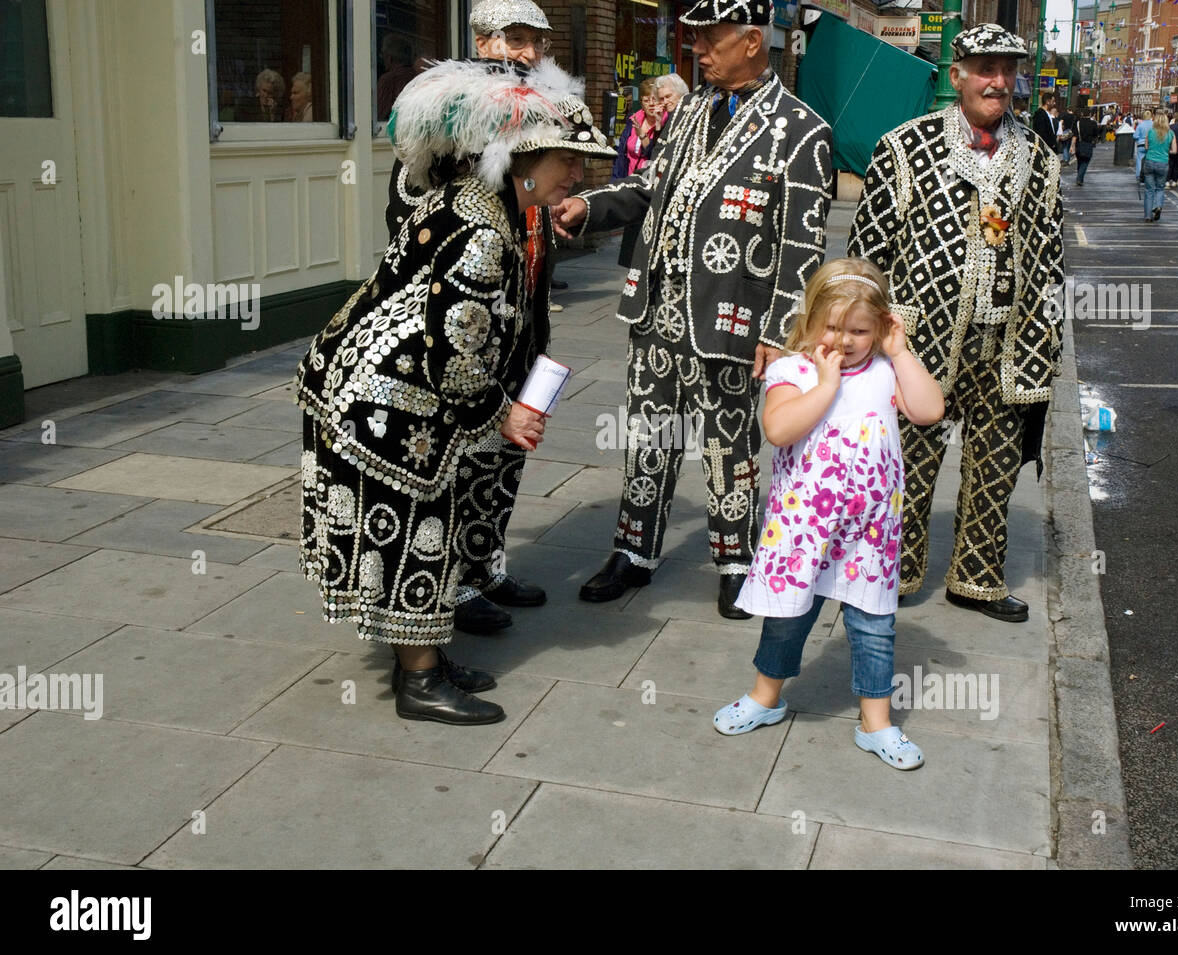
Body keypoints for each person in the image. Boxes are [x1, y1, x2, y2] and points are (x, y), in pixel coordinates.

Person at [294, 60, 615, 725]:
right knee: (419, 533)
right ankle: (419, 683)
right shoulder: (482, 235)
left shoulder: (475, 201)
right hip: (386, 402)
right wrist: (508, 415)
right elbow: (457, 362)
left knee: (421, 530)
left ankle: (425, 659)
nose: (577, 176)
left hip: (372, 386)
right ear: (523, 158)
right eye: (568, 160)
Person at [553, 0, 834, 619]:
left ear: (753, 41)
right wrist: (590, 206)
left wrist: (781, 332)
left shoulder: (802, 129)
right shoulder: (689, 113)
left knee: (729, 445)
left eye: (710, 39)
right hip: (658, 312)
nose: (699, 50)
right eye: (696, 39)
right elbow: (649, 185)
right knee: (648, 434)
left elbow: (801, 246)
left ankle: (736, 564)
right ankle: (634, 550)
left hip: (732, 319)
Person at [847, 22, 1064, 622]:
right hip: (919, 340)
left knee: (996, 464)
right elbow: (868, 257)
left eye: (1008, 70)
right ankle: (889, 570)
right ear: (958, 74)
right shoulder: (905, 146)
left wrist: (1045, 345)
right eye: (985, 68)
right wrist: (862, 342)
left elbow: (1050, 265)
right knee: (906, 463)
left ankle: (977, 578)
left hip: (1007, 340)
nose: (998, 81)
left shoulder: (1039, 160)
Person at [712, 258, 944, 767]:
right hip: (804, 531)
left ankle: (876, 723)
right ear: (810, 320)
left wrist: (901, 353)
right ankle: (765, 697)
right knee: (786, 619)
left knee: (874, 624)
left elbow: (929, 411)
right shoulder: (792, 371)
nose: (843, 340)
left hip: (869, 532)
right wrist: (825, 385)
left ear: (882, 327)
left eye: (859, 330)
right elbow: (779, 429)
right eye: (832, 327)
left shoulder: (887, 371)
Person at [383, 0, 561, 635]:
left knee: (505, 456)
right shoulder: (453, 109)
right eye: (515, 38)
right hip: (465, 329)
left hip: (524, 319)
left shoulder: (537, 109)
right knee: (463, 454)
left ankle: (485, 565)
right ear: (483, 41)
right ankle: (451, 586)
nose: (528, 52)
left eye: (536, 40)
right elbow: (409, 209)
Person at [613, 79, 662, 268]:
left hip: (652, 185)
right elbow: (623, 154)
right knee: (632, 231)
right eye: (645, 100)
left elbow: (656, 154)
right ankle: (632, 271)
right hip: (633, 181)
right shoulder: (634, 119)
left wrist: (643, 135)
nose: (650, 104)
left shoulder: (665, 122)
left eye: (654, 99)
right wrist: (617, 182)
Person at [377, 32, 420, 121]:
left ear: (390, 57)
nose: (382, 58)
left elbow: (377, 116)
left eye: (383, 54)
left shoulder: (388, 80)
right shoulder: (419, 77)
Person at [1142, 109, 1176, 222]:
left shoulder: (1150, 132)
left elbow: (1146, 147)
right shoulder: (1171, 133)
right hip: (1163, 162)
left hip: (1150, 161)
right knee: (1160, 188)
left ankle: (1147, 215)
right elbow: (1174, 150)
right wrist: (1165, 151)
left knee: (1149, 190)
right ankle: (1158, 206)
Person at [1073, 106, 1100, 186]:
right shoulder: (1093, 123)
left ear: (1082, 114)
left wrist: (1072, 146)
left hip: (1079, 144)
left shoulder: (1078, 123)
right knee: (1085, 162)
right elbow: (1096, 134)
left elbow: (1075, 135)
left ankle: (1079, 176)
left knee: (1080, 161)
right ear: (1090, 114)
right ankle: (1079, 178)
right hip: (1088, 144)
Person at [1133, 109, 1153, 182]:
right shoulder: (1153, 124)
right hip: (1151, 145)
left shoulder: (1140, 125)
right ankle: (1148, 175)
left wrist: (1139, 139)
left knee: (1139, 161)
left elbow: (1135, 136)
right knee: (1149, 160)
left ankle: (1139, 175)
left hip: (1141, 144)